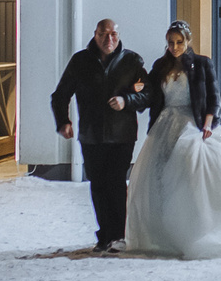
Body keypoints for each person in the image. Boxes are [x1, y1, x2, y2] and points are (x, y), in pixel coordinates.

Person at [127, 20, 221, 258]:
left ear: (188, 41)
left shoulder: (202, 64)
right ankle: (164, 232)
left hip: (192, 121)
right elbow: (151, 94)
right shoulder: (160, 66)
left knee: (193, 164)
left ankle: (195, 228)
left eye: (179, 42)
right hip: (165, 123)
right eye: (171, 43)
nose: (174, 47)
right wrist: (136, 91)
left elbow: (214, 99)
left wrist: (207, 124)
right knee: (158, 174)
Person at [50, 17, 149, 250]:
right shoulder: (81, 61)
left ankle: (118, 236)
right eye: (104, 34)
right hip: (91, 135)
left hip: (122, 135)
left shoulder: (132, 62)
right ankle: (104, 235)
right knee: (98, 184)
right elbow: (60, 94)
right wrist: (63, 121)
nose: (109, 39)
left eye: (113, 34)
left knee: (115, 183)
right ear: (95, 35)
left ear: (119, 35)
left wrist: (127, 100)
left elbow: (147, 95)